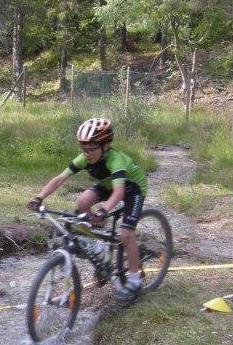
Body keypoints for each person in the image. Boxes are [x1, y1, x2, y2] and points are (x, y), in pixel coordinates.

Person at [27, 117, 148, 301]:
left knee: (126, 234)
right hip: (108, 185)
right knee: (82, 201)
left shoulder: (115, 160)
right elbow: (60, 178)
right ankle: (91, 241)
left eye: (91, 149)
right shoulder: (84, 158)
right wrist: (39, 198)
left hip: (132, 188)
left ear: (105, 146)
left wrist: (103, 211)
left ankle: (133, 280)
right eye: (84, 149)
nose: (87, 154)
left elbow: (118, 192)